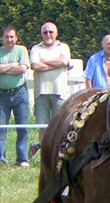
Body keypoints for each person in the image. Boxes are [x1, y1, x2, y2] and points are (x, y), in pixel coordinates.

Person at [29, 22, 71, 157]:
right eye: (45, 32)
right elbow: (35, 65)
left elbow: (64, 62)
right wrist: (55, 63)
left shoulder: (63, 47)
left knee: (60, 126)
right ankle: (45, 155)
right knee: (43, 126)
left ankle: (57, 153)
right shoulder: (36, 48)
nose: (48, 34)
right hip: (41, 93)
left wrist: (44, 61)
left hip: (60, 93)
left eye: (51, 32)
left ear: (56, 33)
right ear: (41, 34)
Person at [0, 26, 30, 167]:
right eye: (6, 37)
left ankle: (22, 159)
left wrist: (3, 68)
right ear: (3, 38)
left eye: (12, 37)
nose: (9, 39)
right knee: (1, 128)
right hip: (2, 95)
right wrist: (13, 64)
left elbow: (23, 69)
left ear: (16, 38)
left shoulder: (21, 50)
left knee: (23, 127)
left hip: (20, 93)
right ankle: (1, 159)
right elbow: (17, 67)